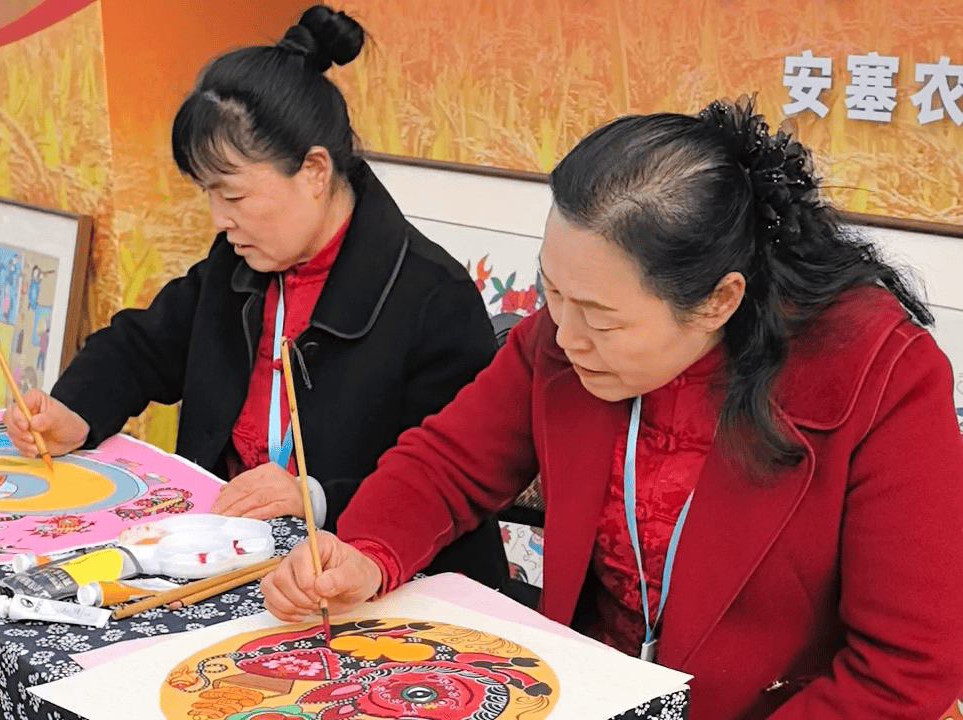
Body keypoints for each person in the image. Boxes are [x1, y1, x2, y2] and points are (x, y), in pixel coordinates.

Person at [261, 98, 963, 720]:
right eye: (552, 293)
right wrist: (367, 555)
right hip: (589, 690)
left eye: (601, 317)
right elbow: (447, 463)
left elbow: (906, 668)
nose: (565, 337)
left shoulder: (877, 375)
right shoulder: (566, 335)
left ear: (718, 301)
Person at [3, 5, 506, 588]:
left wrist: (315, 496)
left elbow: (448, 482)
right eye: (209, 195)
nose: (220, 220)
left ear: (314, 171)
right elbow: (143, 347)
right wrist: (74, 410)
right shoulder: (239, 264)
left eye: (234, 197)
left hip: (372, 582)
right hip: (232, 557)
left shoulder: (432, 299)